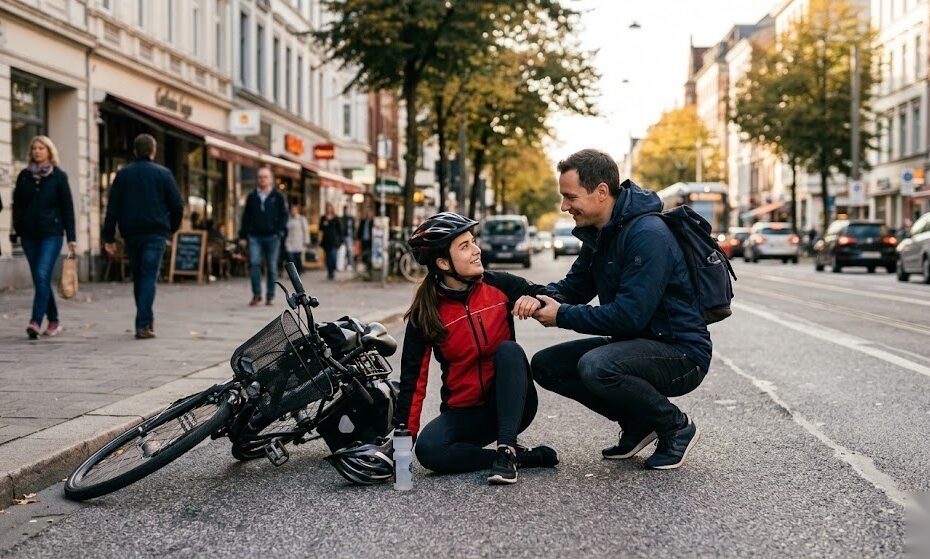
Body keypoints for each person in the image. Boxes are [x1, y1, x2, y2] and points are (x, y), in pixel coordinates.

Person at [530, 149, 712, 470]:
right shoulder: (602, 233)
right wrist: (535, 297)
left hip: (682, 353)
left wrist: (561, 315)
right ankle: (639, 422)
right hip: (635, 344)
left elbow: (628, 316)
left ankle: (675, 426)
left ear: (601, 192)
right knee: (547, 365)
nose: (564, 206)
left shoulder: (647, 235)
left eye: (570, 197)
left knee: (597, 366)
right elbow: (575, 286)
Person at [394, 212, 559, 485]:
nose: (476, 250)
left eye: (473, 241)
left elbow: (552, 294)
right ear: (443, 263)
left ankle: (507, 449)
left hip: (513, 406)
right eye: (465, 246)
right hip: (466, 413)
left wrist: (536, 300)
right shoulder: (425, 314)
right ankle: (520, 457)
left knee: (509, 351)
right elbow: (413, 382)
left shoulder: (500, 285)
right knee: (429, 449)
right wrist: (401, 443)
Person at [103, 134, 183, 340]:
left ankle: (144, 320)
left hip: (131, 233)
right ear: (153, 151)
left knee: (139, 276)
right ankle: (144, 323)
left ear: (135, 151)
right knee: (148, 276)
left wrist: (108, 236)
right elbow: (177, 205)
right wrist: (172, 228)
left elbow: (112, 207)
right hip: (156, 233)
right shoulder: (163, 174)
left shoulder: (123, 175)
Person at [12, 136, 77, 339]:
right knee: (41, 279)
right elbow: (17, 205)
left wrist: (71, 237)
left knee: (41, 275)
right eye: (34, 148)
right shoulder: (24, 176)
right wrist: (16, 229)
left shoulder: (59, 176)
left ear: (49, 151)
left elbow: (67, 208)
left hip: (52, 233)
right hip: (29, 235)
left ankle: (35, 321)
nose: (37, 151)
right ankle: (54, 320)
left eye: (41, 148)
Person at [238, 166, 288, 306]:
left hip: (273, 236)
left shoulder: (278, 196)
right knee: (254, 263)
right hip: (255, 236)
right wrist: (243, 236)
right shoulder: (252, 196)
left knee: (271, 266)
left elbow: (284, 215)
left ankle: (270, 296)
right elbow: (246, 217)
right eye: (260, 177)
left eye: (265, 177)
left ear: (271, 179)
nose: (262, 179)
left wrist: (279, 231)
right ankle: (257, 294)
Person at [319, 203, 343, 280]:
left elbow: (340, 230)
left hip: (334, 240)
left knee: (333, 256)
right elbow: (320, 228)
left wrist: (341, 240)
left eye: (330, 208)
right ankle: (330, 272)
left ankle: (332, 270)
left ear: (332, 209)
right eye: (327, 208)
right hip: (326, 240)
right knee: (328, 257)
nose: (329, 209)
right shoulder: (323, 218)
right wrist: (324, 224)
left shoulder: (336, 218)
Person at [285, 205, 309, 274]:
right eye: (291, 210)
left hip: (299, 242)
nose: (293, 211)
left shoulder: (301, 219)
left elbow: (305, 231)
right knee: (291, 258)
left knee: (298, 258)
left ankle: (298, 272)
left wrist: (306, 241)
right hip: (289, 241)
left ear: (297, 211)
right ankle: (293, 273)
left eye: (294, 210)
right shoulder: (288, 219)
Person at [341, 206, 357, 271]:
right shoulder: (342, 218)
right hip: (343, 236)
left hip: (350, 236)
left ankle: (350, 264)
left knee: (350, 250)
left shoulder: (351, 218)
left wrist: (354, 237)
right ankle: (344, 264)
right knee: (344, 251)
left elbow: (354, 228)